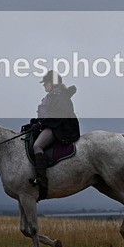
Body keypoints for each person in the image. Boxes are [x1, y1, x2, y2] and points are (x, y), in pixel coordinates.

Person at [25, 70, 80, 200]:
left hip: (60, 128)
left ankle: (41, 179)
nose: (44, 85)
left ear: (52, 83)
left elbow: (55, 117)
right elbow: (47, 115)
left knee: (37, 146)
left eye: (46, 83)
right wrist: (34, 123)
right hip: (52, 125)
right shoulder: (53, 95)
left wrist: (40, 124)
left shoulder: (59, 96)